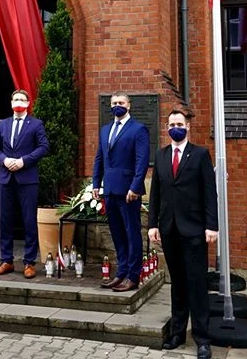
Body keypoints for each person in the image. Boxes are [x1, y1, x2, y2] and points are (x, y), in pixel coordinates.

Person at [148, 109, 218, 359]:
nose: (175, 127)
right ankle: (177, 332)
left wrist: (212, 226)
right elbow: (155, 192)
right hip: (169, 230)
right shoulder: (161, 155)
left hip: (195, 231)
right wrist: (152, 225)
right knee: (177, 283)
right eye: (171, 124)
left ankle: (202, 338)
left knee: (197, 284)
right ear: (167, 128)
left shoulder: (200, 155)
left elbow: (210, 193)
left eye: (179, 123)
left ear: (187, 127)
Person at [92, 93, 150, 292]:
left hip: (128, 191)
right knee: (117, 233)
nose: (118, 106)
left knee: (132, 233)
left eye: (121, 103)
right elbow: (99, 158)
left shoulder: (138, 129)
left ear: (129, 105)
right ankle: (121, 272)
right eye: (114, 103)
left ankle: (133, 276)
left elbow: (141, 161)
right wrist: (95, 184)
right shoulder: (105, 130)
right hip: (109, 189)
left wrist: (135, 186)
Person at [0, 89, 50, 278]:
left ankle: (29, 262)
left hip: (27, 178)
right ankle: (6, 260)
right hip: (5, 177)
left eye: (22, 99)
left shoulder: (36, 124)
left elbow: (43, 147)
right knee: (4, 219)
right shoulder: (4, 124)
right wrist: (3, 160)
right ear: (11, 102)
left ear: (28, 103)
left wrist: (24, 161)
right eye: (15, 99)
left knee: (29, 220)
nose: (18, 102)